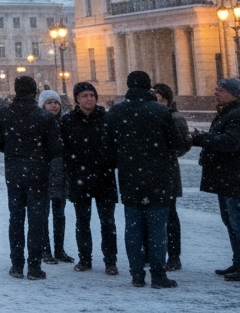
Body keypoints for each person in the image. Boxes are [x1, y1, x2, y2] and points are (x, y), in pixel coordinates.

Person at [106, 71, 181, 289]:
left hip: (130, 177)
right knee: (157, 229)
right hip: (159, 177)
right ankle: (158, 274)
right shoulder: (160, 111)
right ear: (148, 87)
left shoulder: (117, 112)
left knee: (133, 228)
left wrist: (122, 160)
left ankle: (137, 274)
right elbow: (176, 142)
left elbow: (107, 146)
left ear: (128, 86)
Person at [0, 75, 62, 280]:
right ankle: (34, 266)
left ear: (15, 90)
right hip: (38, 172)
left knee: (16, 218)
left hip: (14, 172)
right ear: (35, 91)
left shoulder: (4, 114)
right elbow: (56, 148)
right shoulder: (44, 117)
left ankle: (16, 264)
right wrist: (41, 154)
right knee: (37, 220)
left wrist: (12, 150)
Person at [191, 77, 240, 282]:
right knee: (231, 222)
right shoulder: (230, 112)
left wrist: (201, 138)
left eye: (220, 90)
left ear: (232, 94)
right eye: (216, 89)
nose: (216, 93)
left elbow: (231, 142)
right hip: (228, 176)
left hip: (235, 177)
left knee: (239, 222)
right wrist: (204, 136)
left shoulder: (239, 115)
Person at [60, 81, 118, 275]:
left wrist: (109, 162)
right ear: (77, 99)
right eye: (85, 96)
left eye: (92, 95)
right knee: (82, 221)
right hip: (80, 177)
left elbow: (115, 145)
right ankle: (85, 259)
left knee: (107, 222)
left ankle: (110, 261)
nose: (89, 99)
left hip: (104, 177)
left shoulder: (106, 118)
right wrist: (73, 165)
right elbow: (63, 148)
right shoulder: (68, 121)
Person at [152, 83, 192, 271]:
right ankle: (150, 252)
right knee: (149, 215)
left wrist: (165, 153)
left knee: (169, 215)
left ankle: (174, 256)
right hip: (149, 173)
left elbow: (183, 145)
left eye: (160, 101)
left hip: (167, 172)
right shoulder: (150, 116)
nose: (157, 104)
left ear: (167, 100)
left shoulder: (175, 118)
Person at [38, 90, 74, 265]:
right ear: (43, 105)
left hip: (61, 173)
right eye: (49, 102)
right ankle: (45, 250)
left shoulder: (65, 122)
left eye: (56, 102)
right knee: (43, 214)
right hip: (44, 173)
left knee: (59, 214)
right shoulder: (38, 123)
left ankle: (59, 249)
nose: (53, 106)